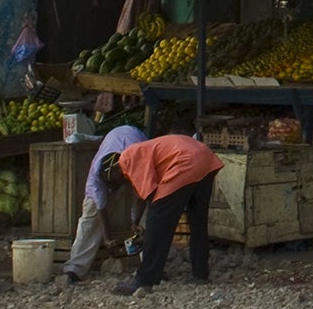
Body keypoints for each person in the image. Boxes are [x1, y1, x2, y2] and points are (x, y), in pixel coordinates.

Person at [100, 133, 223, 295]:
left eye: (112, 182)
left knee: (158, 221)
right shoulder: (138, 154)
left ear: (114, 170)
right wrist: (137, 222)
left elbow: (154, 203)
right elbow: (146, 195)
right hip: (205, 158)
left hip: (185, 161)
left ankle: (145, 279)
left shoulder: (127, 159)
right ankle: (200, 273)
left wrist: (150, 234)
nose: (115, 186)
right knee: (198, 222)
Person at [62, 122, 147, 283]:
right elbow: (101, 208)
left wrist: (135, 221)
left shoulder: (136, 162)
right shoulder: (96, 176)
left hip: (133, 144)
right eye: (108, 185)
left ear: (121, 174)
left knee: (148, 215)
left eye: (114, 184)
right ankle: (75, 268)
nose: (111, 189)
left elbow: (143, 194)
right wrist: (108, 239)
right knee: (90, 213)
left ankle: (150, 265)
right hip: (116, 142)